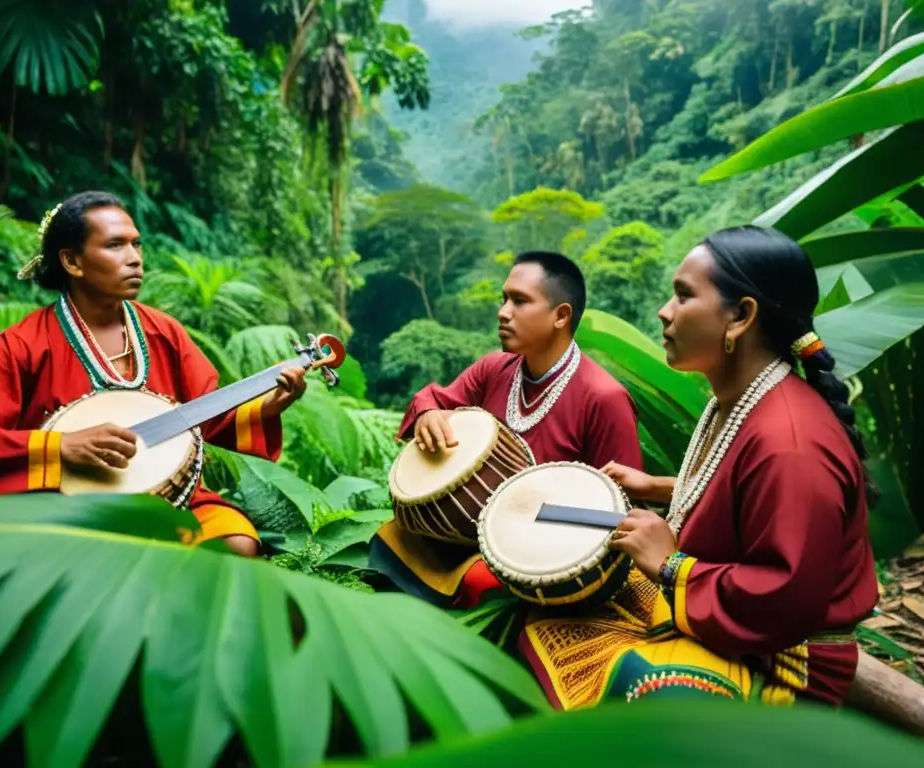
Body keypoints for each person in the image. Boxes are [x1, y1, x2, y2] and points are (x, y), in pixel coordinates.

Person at [517, 225, 880, 710]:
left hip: (781, 664)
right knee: (547, 621)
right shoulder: (743, 402)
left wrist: (670, 564)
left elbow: (785, 600)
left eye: (683, 296)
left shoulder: (790, 442)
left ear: (740, 317)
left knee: (631, 681)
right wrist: (663, 487)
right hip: (730, 622)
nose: (664, 312)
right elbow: (748, 494)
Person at [0, 191, 306, 557]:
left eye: (136, 245)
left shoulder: (165, 333)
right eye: (115, 246)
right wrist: (61, 447)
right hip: (62, 507)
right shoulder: (23, 344)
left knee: (236, 545)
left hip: (170, 503)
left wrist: (267, 407)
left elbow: (205, 418)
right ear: (72, 262)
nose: (135, 259)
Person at [370, 250, 644, 608]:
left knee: (480, 581)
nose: (503, 312)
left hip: (545, 559)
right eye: (504, 299)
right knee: (388, 542)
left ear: (561, 315)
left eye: (520, 301)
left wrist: (534, 518)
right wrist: (427, 414)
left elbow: (621, 512)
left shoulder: (604, 397)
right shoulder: (494, 368)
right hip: (470, 536)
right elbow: (433, 399)